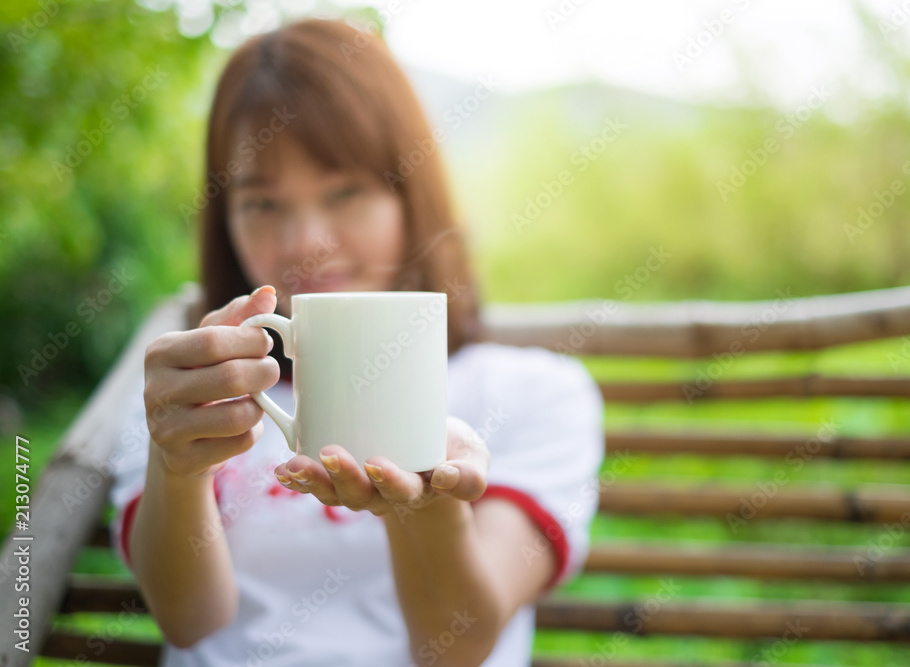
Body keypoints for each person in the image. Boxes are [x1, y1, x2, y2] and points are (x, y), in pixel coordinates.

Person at [109, 17, 605, 667]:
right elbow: (190, 621)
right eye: (263, 204)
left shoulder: (533, 393)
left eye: (345, 192)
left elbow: (456, 645)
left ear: (411, 195)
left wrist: (424, 504)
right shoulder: (183, 394)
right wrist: (176, 466)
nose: (305, 243)